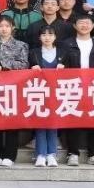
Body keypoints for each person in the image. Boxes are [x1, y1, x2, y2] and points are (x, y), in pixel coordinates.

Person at [59, 14, 94, 166]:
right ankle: (72, 153)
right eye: (81, 22)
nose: (84, 25)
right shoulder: (66, 44)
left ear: (93, 26)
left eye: (88, 23)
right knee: (73, 119)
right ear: (75, 25)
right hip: (73, 86)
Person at [0, 15, 28, 167]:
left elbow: (24, 64)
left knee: (11, 121)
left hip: (13, 87)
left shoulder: (21, 45)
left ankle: (10, 155)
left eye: (7, 26)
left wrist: (4, 65)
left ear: (12, 28)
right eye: (1, 26)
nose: (4, 29)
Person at [28, 25, 63, 167]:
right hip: (40, 91)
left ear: (55, 37)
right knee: (40, 122)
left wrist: (64, 67)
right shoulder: (34, 52)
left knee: (53, 123)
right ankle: (41, 154)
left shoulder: (62, 52)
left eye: (50, 34)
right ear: (39, 37)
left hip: (57, 92)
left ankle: (52, 154)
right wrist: (32, 68)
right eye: (44, 34)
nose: (47, 37)